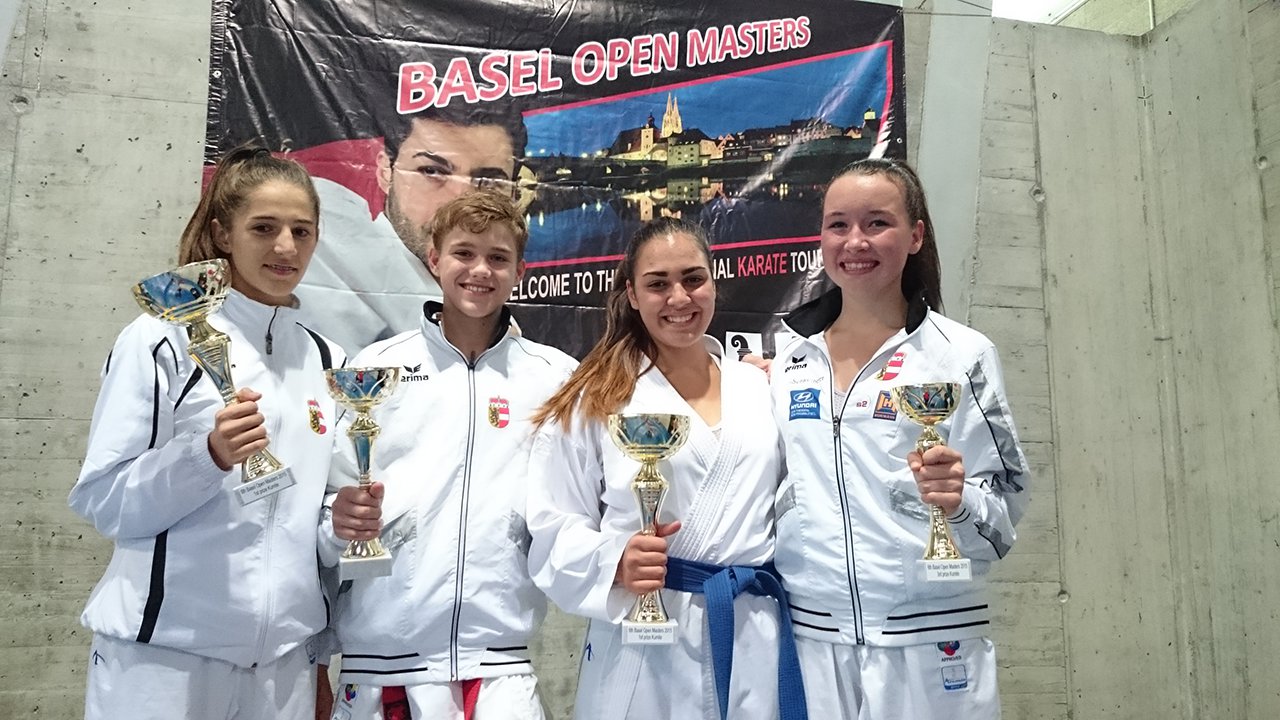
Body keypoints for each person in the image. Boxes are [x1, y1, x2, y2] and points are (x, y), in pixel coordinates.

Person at [69, 146, 346, 720]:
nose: (285, 247)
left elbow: (309, 525)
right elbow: (104, 499)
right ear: (223, 234)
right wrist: (208, 456)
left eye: (301, 231)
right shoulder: (160, 338)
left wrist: (340, 525)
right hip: (166, 657)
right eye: (264, 228)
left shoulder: (327, 359)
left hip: (283, 668)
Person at [770, 158, 1029, 719]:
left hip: (931, 644)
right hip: (812, 637)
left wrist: (959, 502)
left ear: (915, 236)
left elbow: (1005, 508)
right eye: (838, 225)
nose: (855, 241)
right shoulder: (789, 359)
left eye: (877, 223)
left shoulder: (961, 355)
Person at [526, 218, 806, 720]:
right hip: (645, 639)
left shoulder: (758, 388)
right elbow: (551, 522)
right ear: (632, 295)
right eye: (658, 284)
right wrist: (615, 562)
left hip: (752, 632)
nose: (679, 298)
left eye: (693, 279)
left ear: (714, 283)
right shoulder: (597, 396)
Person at [321, 190, 576, 719]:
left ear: (520, 271)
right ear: (434, 259)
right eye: (464, 253)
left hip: (501, 666)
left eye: (498, 257)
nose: (480, 270)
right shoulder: (375, 368)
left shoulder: (554, 376)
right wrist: (336, 523)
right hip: (383, 667)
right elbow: (325, 499)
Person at [297, 103, 529, 353]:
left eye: (489, 181)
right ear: (385, 171)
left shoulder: (520, 354)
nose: (458, 203)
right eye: (432, 171)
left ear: (514, 193)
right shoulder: (319, 248)